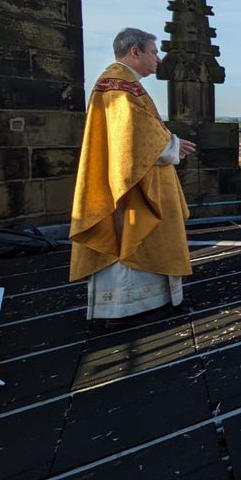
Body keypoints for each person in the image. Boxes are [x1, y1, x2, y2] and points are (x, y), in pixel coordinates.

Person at [69, 28, 196, 321]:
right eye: (154, 52)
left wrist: (170, 142)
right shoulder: (118, 87)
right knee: (128, 240)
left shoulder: (122, 84)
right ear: (134, 52)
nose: (158, 59)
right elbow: (133, 136)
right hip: (129, 185)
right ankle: (126, 303)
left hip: (135, 177)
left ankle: (142, 299)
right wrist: (174, 144)